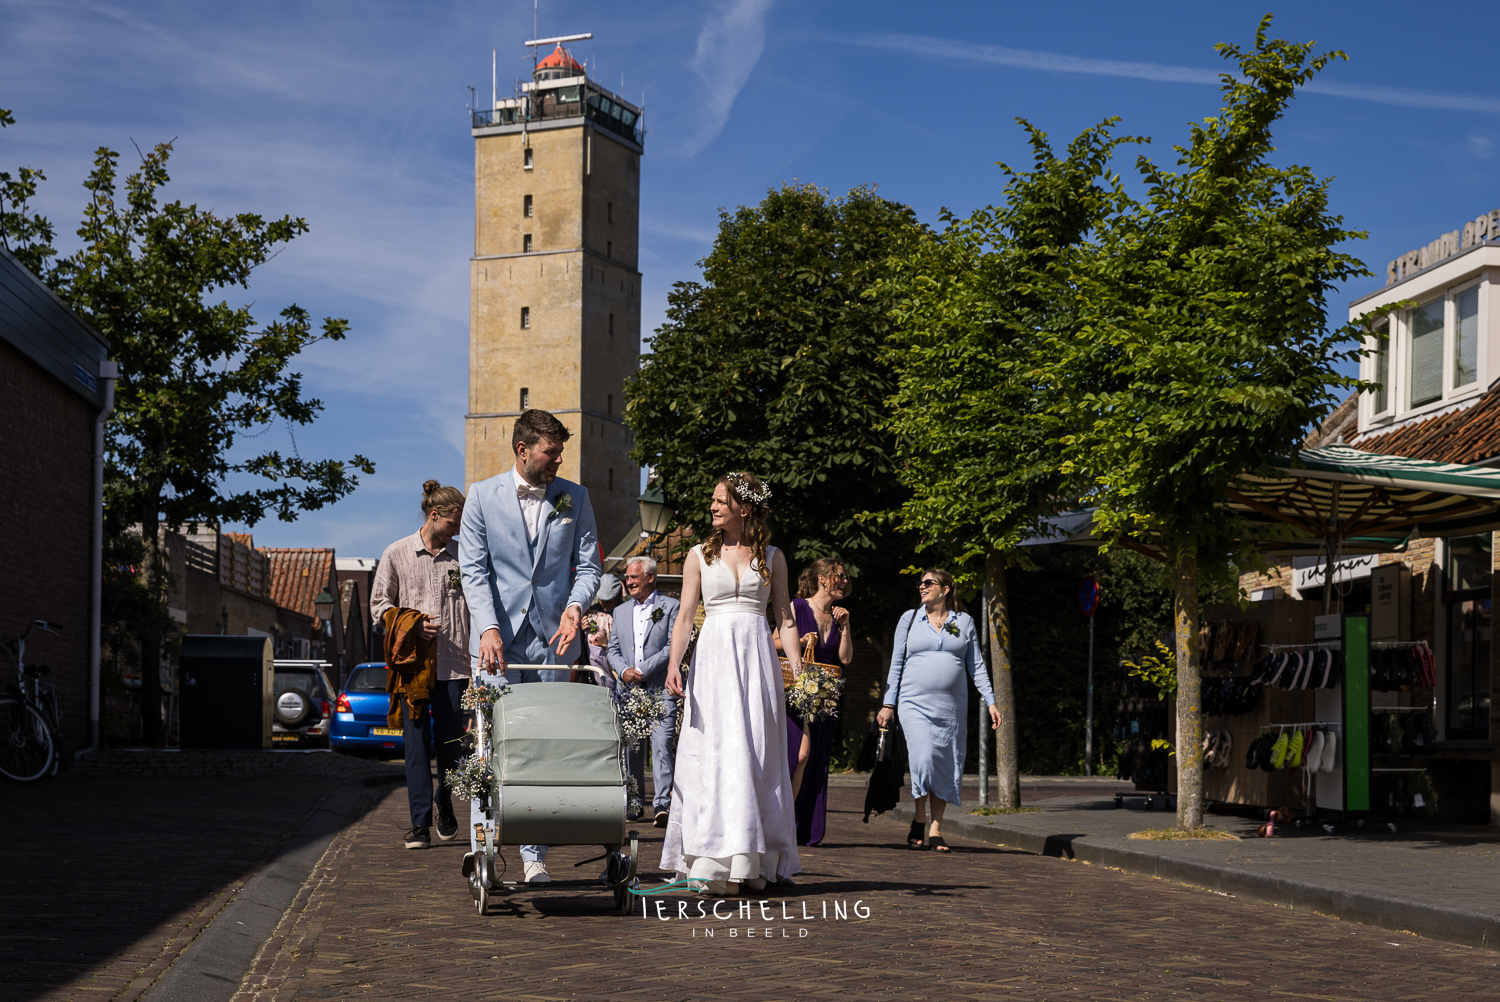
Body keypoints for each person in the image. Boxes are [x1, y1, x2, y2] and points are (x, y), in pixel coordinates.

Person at [459, 408, 602, 883]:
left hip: (555, 643)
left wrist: (576, 607)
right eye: (550, 451)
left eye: (560, 451)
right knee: (490, 739)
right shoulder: (480, 497)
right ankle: (484, 844)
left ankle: (534, 852)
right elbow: (474, 572)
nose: (558, 460)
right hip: (497, 643)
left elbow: (588, 568)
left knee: (547, 741)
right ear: (523, 450)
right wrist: (488, 627)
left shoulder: (574, 498)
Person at [662, 472, 804, 895]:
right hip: (714, 659)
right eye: (712, 500)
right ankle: (709, 859)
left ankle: (754, 860)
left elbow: (786, 617)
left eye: (721, 500)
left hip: (757, 659)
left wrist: (798, 668)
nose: (713, 506)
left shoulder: (772, 556)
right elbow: (686, 616)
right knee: (716, 750)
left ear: (744, 506)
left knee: (757, 750)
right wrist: (674, 664)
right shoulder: (697, 556)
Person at [370, 480, 472, 851]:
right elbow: (379, 606)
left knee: (453, 748)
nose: (457, 531)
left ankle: (444, 799)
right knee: (414, 748)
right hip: (412, 669)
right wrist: (412, 622)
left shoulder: (464, 558)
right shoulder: (396, 553)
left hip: (455, 666)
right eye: (453, 524)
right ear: (434, 515)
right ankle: (419, 825)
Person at [876, 568, 1000, 853]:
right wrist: (888, 703)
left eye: (928, 582)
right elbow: (896, 664)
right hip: (913, 703)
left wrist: (991, 701)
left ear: (945, 589)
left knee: (945, 763)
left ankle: (935, 829)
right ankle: (919, 817)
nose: (922, 586)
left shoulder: (964, 622)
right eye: (920, 582)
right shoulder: (909, 619)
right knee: (924, 757)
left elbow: (977, 666)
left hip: (951, 706)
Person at [774, 558, 853, 846]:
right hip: (796, 692)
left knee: (815, 761)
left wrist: (845, 626)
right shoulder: (797, 606)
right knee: (799, 756)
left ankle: (801, 827)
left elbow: (844, 659)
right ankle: (782, 821)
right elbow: (773, 642)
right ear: (822, 579)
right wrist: (798, 639)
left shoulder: (837, 616)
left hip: (823, 697)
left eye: (845, 578)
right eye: (839, 576)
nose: (844, 581)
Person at [607, 555, 680, 826]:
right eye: (627, 578)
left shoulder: (671, 606)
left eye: (634, 577)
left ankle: (662, 805)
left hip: (661, 686)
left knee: (662, 745)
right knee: (632, 748)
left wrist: (645, 669)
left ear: (650, 577)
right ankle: (635, 803)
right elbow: (612, 649)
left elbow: (674, 645)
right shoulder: (620, 611)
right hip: (629, 690)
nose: (629, 582)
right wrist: (624, 670)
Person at [582, 574, 623, 690]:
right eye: (603, 599)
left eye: (610, 598)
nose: (606, 603)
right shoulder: (591, 614)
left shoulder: (625, 609)